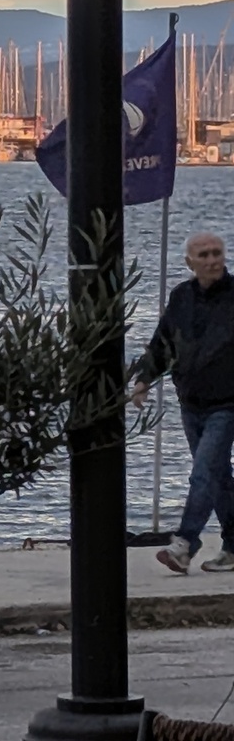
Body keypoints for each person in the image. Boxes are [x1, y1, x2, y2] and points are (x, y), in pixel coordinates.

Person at [131, 231, 234, 574]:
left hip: (227, 404)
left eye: (216, 253)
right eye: (203, 255)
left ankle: (185, 544)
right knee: (218, 478)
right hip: (191, 403)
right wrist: (144, 379)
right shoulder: (181, 297)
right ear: (190, 262)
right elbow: (162, 343)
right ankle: (233, 547)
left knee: (203, 473)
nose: (212, 260)